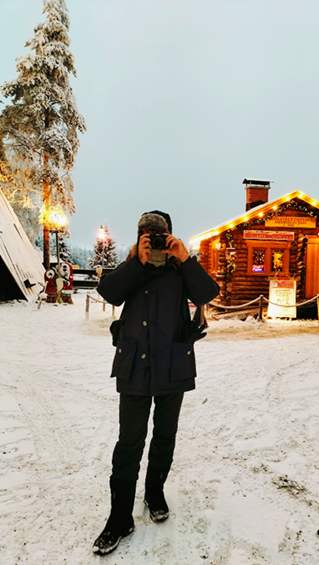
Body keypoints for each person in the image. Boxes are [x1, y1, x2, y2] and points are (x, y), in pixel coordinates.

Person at [92, 210, 219, 555]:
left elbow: (209, 291)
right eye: (147, 235)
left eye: (159, 235)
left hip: (173, 367)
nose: (154, 241)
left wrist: (185, 258)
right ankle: (120, 517)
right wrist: (137, 260)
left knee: (164, 435)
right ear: (139, 238)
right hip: (134, 367)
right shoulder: (131, 268)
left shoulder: (180, 270)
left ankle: (154, 492)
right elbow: (109, 293)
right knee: (129, 442)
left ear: (171, 237)